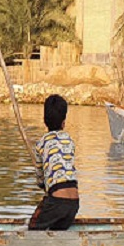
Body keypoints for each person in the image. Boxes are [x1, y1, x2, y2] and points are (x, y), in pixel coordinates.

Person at [28, 94, 80, 231]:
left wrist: (42, 184)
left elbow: (40, 180)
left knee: (33, 228)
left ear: (44, 121)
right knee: (56, 232)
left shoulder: (41, 144)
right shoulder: (69, 141)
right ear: (64, 122)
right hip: (74, 203)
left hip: (56, 201)